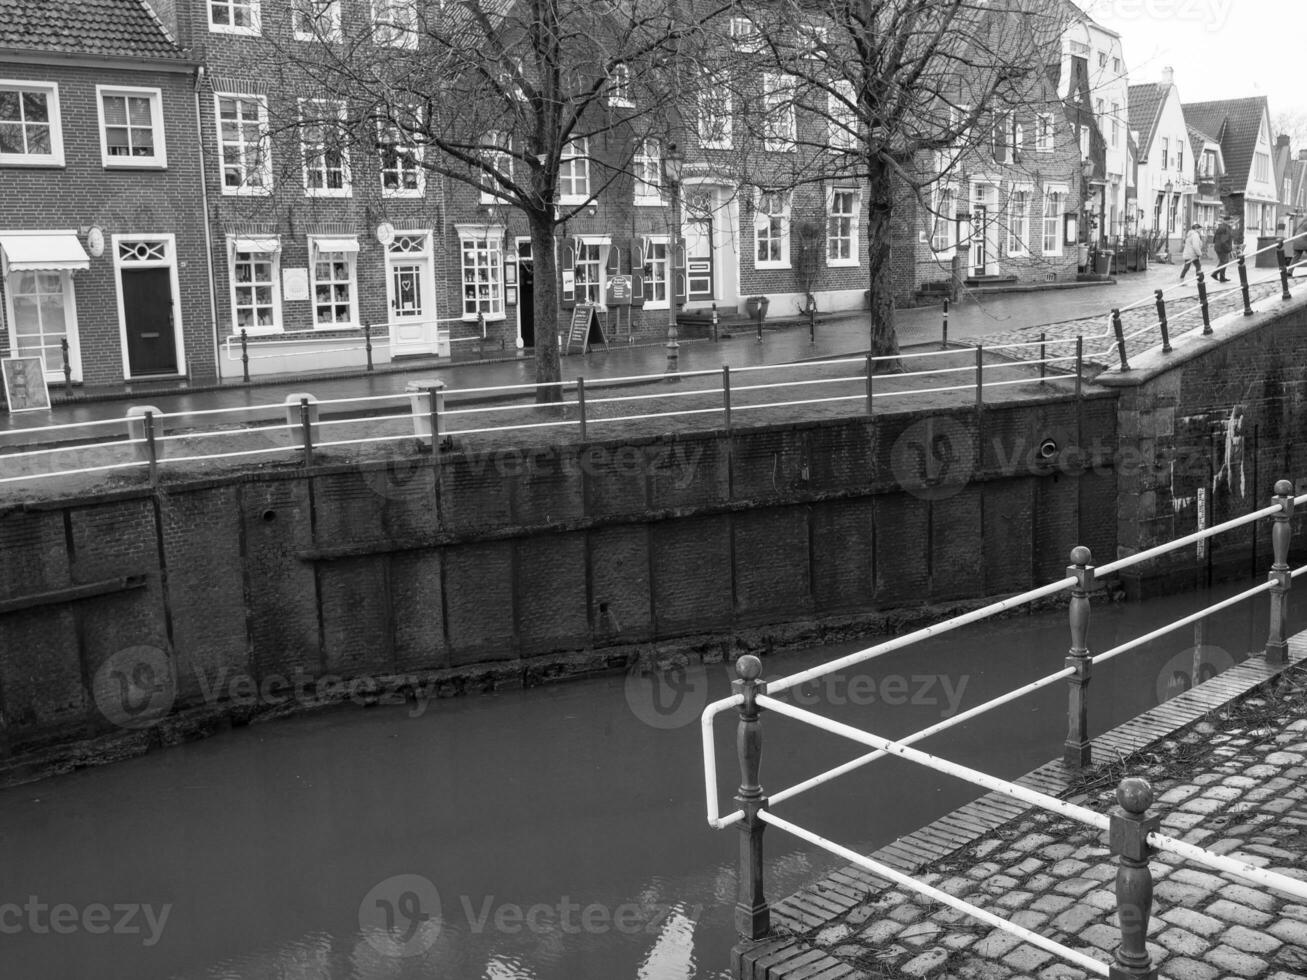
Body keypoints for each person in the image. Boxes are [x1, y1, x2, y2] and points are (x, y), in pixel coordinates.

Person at [1212, 217, 1232, 282]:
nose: (1229, 222)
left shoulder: (1224, 227)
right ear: (1225, 221)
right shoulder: (1224, 228)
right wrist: (1228, 248)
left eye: (1229, 220)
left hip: (1219, 247)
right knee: (1224, 262)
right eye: (1228, 220)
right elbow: (1223, 241)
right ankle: (1214, 274)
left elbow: (1215, 238)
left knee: (1223, 262)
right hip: (1222, 248)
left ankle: (1222, 277)